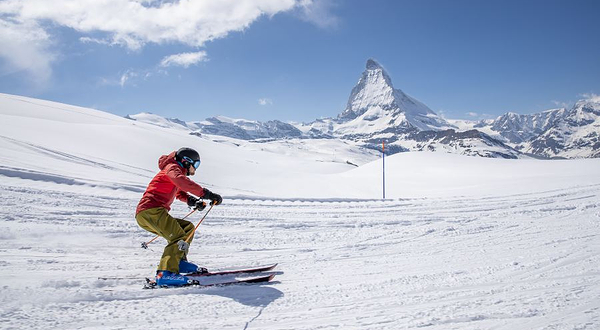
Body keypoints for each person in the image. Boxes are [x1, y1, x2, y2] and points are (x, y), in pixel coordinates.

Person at [135, 147, 222, 286]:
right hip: (151, 211)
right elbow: (181, 181)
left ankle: (179, 262)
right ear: (186, 162)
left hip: (152, 213)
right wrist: (206, 193)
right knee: (177, 236)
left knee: (187, 228)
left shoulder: (172, 170)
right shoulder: (173, 168)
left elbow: (179, 191)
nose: (195, 169)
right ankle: (165, 274)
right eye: (196, 164)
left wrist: (191, 201)